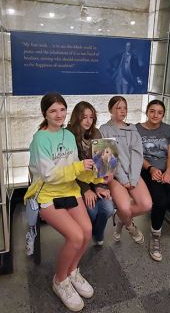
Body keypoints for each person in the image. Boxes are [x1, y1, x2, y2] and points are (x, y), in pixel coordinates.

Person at [24, 93, 106, 312]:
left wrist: (96, 176)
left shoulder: (68, 135)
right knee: (76, 236)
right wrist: (80, 168)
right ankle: (60, 280)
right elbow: (49, 175)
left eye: (62, 110)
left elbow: (77, 169)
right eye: (53, 111)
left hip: (70, 190)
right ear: (45, 114)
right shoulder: (40, 138)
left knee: (87, 231)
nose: (59, 115)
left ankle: (72, 271)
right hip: (48, 195)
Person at [136, 99, 170, 262]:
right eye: (152, 111)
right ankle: (155, 235)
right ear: (147, 112)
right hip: (148, 171)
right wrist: (151, 169)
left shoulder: (168, 129)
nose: (155, 115)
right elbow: (137, 154)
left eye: (159, 112)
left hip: (167, 170)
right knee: (160, 202)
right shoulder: (136, 129)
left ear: (163, 114)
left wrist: (169, 172)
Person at [99, 96, 152, 244]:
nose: (122, 111)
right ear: (110, 110)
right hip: (114, 176)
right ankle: (129, 224)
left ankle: (121, 218)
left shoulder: (133, 129)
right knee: (125, 208)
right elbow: (108, 161)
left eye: (125, 108)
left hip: (133, 174)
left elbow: (137, 155)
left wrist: (133, 179)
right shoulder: (104, 130)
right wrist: (123, 179)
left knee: (146, 205)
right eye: (118, 108)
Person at [67, 101, 114, 246]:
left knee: (108, 208)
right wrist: (86, 190)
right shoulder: (68, 135)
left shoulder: (96, 132)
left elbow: (105, 165)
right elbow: (70, 168)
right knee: (92, 211)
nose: (88, 121)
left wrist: (100, 185)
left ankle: (95, 233)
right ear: (77, 117)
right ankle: (90, 233)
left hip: (96, 181)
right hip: (77, 183)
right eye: (84, 117)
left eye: (91, 117)